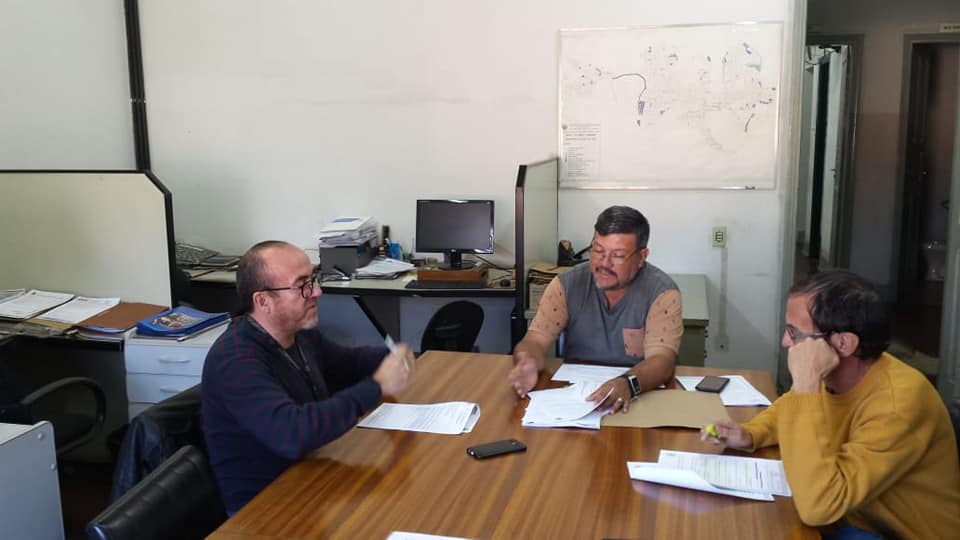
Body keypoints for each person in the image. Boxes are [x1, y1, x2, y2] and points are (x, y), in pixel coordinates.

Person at [702, 270, 960, 539]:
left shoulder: (897, 405)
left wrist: (806, 382)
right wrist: (751, 433)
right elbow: (790, 406)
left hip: (892, 532)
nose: (785, 342)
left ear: (843, 343)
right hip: (853, 515)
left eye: (794, 332)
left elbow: (818, 507)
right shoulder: (835, 377)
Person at [202, 241, 414, 514]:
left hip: (310, 476)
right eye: (302, 285)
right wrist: (377, 386)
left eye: (313, 280)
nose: (317, 291)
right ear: (263, 301)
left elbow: (347, 363)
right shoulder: (235, 360)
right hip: (263, 511)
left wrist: (392, 356)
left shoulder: (298, 335)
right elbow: (292, 433)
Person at [508, 205, 683, 413]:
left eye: (618, 255)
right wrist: (527, 359)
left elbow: (662, 361)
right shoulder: (567, 284)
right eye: (598, 251)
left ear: (642, 257)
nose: (604, 264)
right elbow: (535, 340)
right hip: (578, 398)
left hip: (638, 397)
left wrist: (628, 384)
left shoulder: (662, 293)